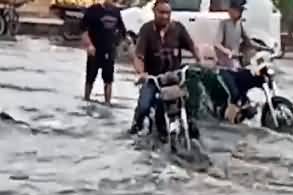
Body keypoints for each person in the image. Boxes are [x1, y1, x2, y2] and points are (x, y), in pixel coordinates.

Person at [130, 0, 202, 141]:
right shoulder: (146, 30)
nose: (165, 16)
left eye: (167, 13)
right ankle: (136, 127)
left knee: (189, 103)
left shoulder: (178, 29)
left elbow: (192, 46)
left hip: (173, 79)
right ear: (154, 12)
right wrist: (141, 73)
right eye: (161, 12)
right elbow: (139, 56)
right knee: (144, 107)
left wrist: (200, 61)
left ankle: (189, 133)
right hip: (153, 78)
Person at [214, 0, 259, 123]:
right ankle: (230, 116)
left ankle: (246, 106)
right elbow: (216, 43)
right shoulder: (223, 24)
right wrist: (227, 52)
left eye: (241, 11)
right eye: (238, 11)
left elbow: (248, 42)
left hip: (236, 67)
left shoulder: (240, 25)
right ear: (231, 11)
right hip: (224, 68)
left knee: (252, 79)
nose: (240, 13)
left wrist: (264, 48)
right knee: (234, 93)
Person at [80, 0, 126, 106]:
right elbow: (83, 30)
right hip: (94, 50)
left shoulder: (116, 12)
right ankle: (86, 99)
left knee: (109, 79)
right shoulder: (93, 10)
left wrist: (118, 46)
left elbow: (122, 31)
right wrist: (89, 45)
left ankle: (107, 102)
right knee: (90, 77)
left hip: (109, 51)